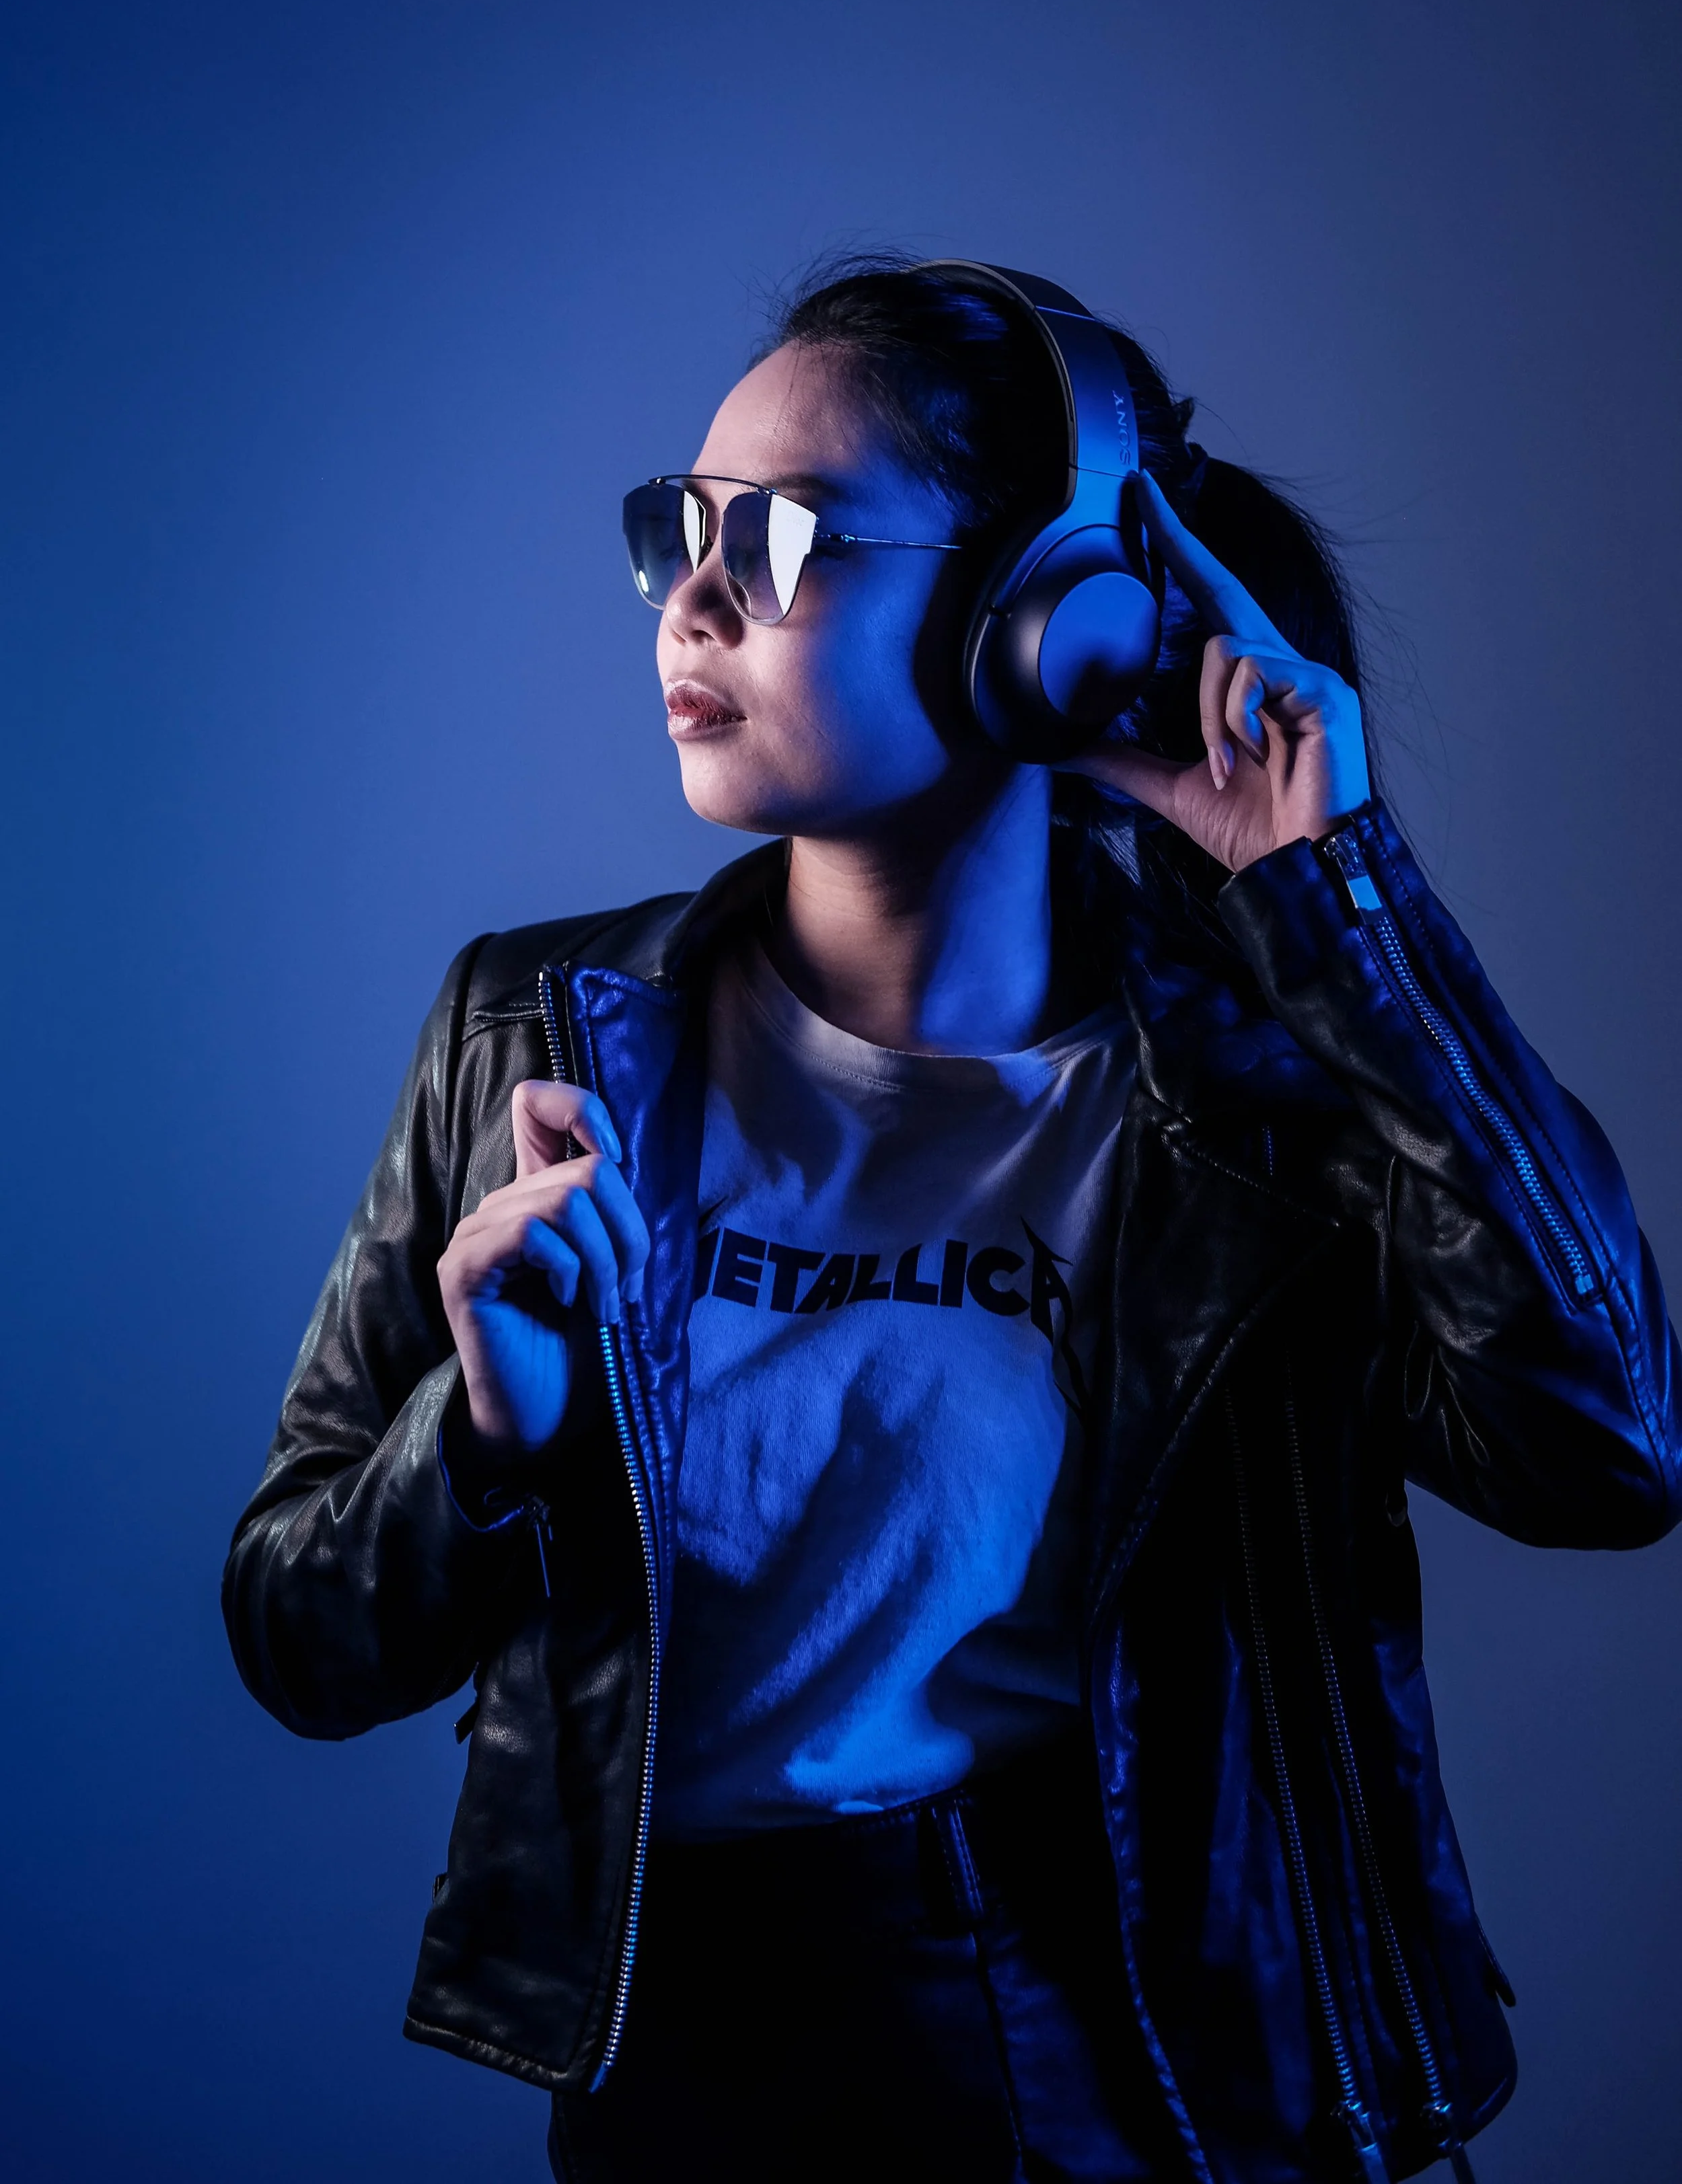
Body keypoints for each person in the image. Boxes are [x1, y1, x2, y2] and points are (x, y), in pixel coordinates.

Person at [223, 259, 1680, 2184]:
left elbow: (1607, 1452)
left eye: (781, 539)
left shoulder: (1259, 1097)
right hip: (682, 2075)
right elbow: (299, 1636)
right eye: (680, 527)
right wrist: (480, 1436)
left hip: (1148, 2067)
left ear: (1040, 617)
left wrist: (1337, 902)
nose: (693, 597)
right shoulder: (526, 1033)